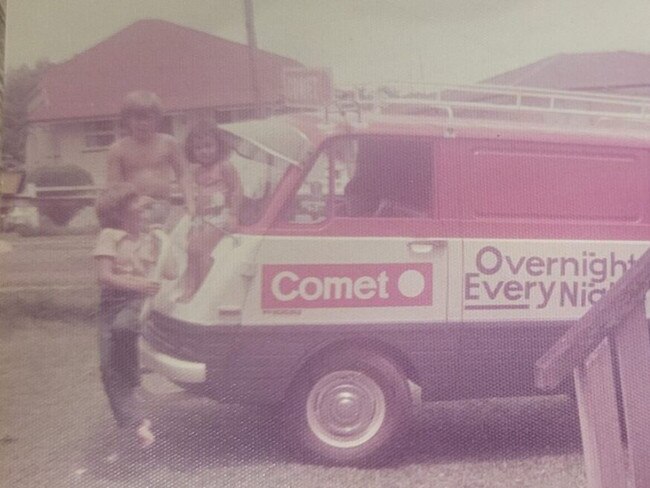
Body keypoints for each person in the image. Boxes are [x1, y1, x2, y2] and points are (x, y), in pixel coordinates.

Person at [93, 183, 161, 448]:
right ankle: (137, 423)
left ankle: (133, 378)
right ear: (120, 212)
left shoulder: (150, 238)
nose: (142, 206)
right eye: (135, 202)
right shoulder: (110, 236)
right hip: (113, 301)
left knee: (123, 329)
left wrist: (161, 241)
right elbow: (104, 277)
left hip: (137, 302)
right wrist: (139, 283)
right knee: (108, 366)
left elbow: (169, 271)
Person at [106, 91, 195, 226]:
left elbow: (183, 174)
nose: (143, 123)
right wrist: (133, 203)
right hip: (132, 208)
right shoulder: (118, 149)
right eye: (137, 118)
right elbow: (114, 187)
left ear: (157, 119)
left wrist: (190, 203)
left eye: (148, 118)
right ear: (127, 120)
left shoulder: (169, 143)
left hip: (163, 205)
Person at [177, 120, 242, 302]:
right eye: (198, 148)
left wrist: (233, 214)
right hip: (202, 217)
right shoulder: (196, 170)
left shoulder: (224, 166)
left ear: (218, 146)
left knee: (202, 250)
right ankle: (190, 287)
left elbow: (237, 189)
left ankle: (203, 292)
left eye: (208, 146)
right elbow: (194, 192)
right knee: (191, 250)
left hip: (220, 215)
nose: (204, 151)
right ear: (192, 150)